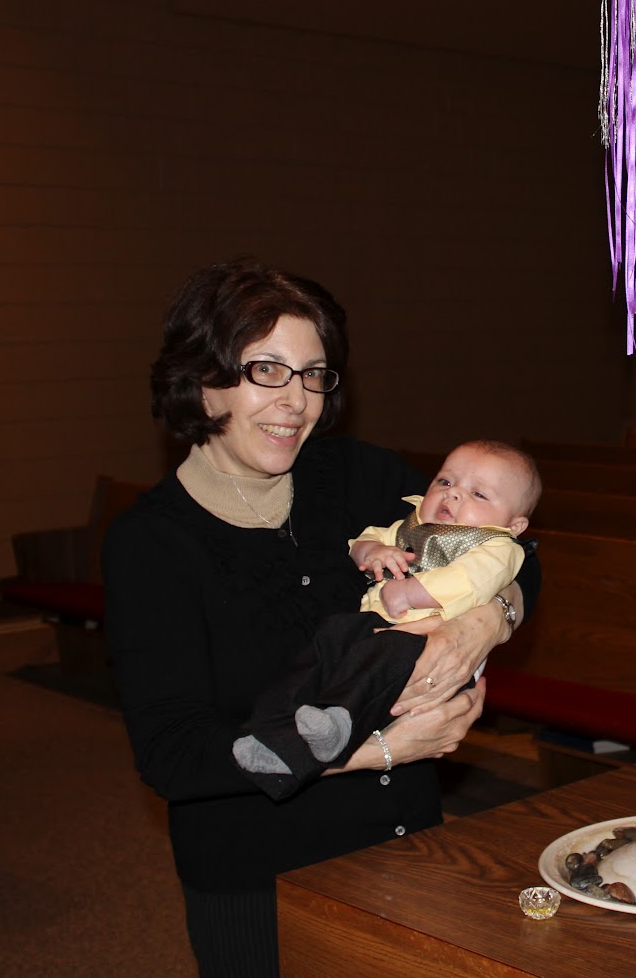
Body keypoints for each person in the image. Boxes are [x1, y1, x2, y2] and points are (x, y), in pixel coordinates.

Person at [102, 261, 538, 978]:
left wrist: (481, 625)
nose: (296, 400)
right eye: (266, 369)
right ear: (203, 377)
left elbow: (518, 551)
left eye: (312, 374)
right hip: (261, 881)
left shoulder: (355, 475)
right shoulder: (151, 544)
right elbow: (173, 756)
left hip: (406, 849)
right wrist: (377, 749)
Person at [231, 441, 541, 799]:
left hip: (426, 647)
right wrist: (374, 550)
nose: (453, 494)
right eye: (445, 481)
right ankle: (270, 731)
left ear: (515, 524)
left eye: (478, 494)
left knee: (382, 657)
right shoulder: (411, 525)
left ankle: (339, 722)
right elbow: (362, 541)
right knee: (326, 643)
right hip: (373, 628)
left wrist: (412, 592)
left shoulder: (498, 547)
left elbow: (470, 582)